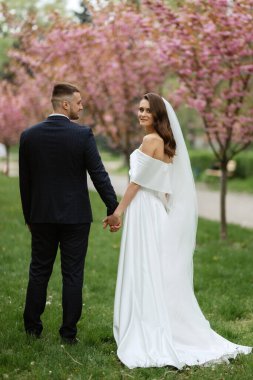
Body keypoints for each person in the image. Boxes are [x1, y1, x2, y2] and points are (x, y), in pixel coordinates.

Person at [104, 93, 251, 368]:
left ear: (159, 115)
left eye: (148, 110)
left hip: (144, 209)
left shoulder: (150, 141)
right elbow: (167, 188)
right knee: (155, 269)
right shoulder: (166, 143)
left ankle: (149, 324)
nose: (142, 114)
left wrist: (118, 212)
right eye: (140, 109)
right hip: (155, 209)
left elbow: (136, 183)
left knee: (146, 267)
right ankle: (158, 319)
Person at [19, 82, 120, 344]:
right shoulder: (82, 135)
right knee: (73, 274)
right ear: (65, 104)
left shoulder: (28, 136)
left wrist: (29, 215)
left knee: (39, 270)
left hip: (41, 215)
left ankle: (32, 329)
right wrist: (113, 207)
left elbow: (25, 181)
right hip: (75, 217)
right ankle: (68, 334)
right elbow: (98, 174)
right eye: (78, 102)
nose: (82, 106)